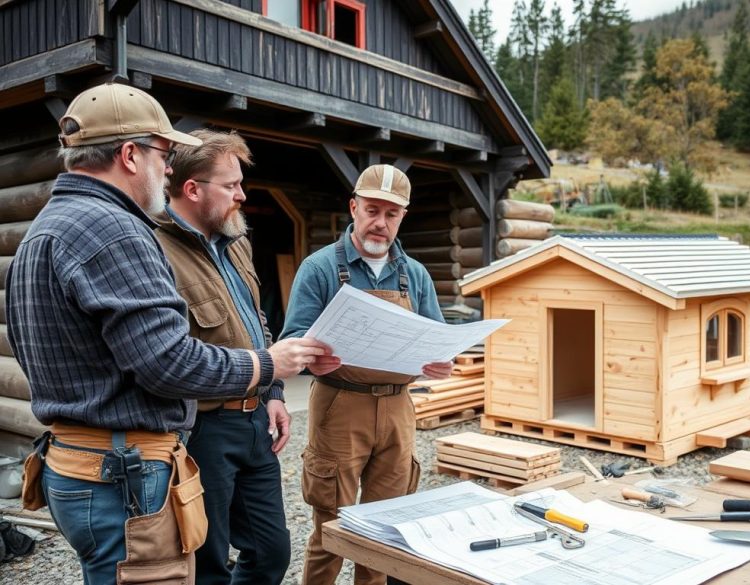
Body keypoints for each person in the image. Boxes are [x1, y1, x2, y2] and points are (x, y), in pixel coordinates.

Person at [4, 83, 333, 585]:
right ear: (130, 155)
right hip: (122, 470)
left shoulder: (49, 225)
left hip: (83, 462)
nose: (168, 167)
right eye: (163, 153)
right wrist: (270, 365)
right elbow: (168, 364)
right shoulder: (113, 230)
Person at [156, 129, 322, 584]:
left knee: (271, 554)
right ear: (192, 189)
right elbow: (170, 355)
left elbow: (258, 325)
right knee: (207, 562)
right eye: (231, 185)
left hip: (255, 422)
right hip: (201, 429)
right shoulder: (156, 251)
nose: (242, 195)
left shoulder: (238, 241)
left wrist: (273, 392)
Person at [281, 164, 452, 585]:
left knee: (384, 526)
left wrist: (440, 361)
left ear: (402, 217)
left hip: (398, 407)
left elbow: (437, 335)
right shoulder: (320, 268)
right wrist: (308, 356)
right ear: (353, 207)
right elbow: (293, 338)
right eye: (372, 210)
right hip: (340, 404)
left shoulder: (415, 275)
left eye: (391, 214)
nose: (380, 223)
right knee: (330, 527)